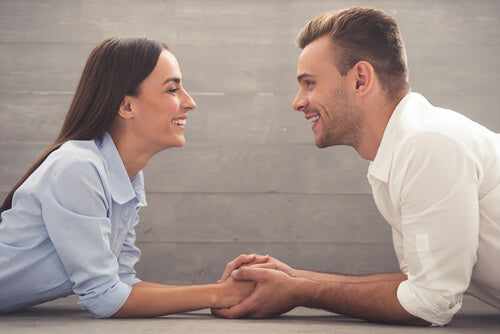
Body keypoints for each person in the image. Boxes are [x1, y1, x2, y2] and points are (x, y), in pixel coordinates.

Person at [213, 7, 500, 326]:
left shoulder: (427, 144)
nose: (297, 101)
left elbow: (429, 304)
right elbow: (416, 285)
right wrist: (294, 278)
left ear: (361, 79)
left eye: (309, 83)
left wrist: (299, 291)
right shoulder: (399, 152)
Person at [0, 36, 262, 318]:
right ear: (126, 106)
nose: (190, 102)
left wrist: (220, 291)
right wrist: (220, 293)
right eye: (173, 89)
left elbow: (121, 284)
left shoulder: (126, 177)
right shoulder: (78, 167)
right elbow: (105, 299)